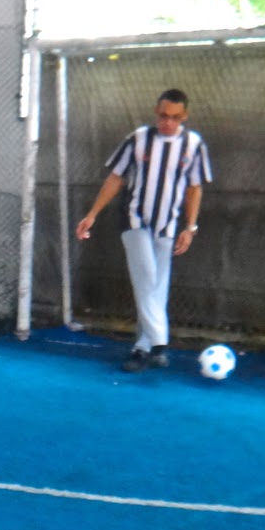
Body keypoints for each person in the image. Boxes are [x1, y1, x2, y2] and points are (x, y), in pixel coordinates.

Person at [75, 88, 212, 372]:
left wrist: (190, 227)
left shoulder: (193, 144)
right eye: (163, 116)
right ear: (155, 112)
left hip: (168, 225)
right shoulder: (138, 139)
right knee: (147, 278)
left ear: (185, 116)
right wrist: (92, 214)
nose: (167, 122)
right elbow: (115, 178)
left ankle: (142, 348)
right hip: (134, 220)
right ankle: (160, 341)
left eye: (174, 117)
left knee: (157, 287)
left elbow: (194, 188)